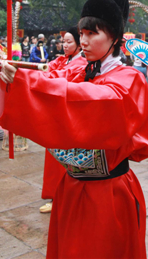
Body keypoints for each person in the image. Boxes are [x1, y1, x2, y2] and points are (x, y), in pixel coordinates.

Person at [0, 0, 148, 258]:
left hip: (108, 192)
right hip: (70, 186)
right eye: (82, 34)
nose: (84, 41)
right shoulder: (77, 69)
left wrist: (31, 83)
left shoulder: (129, 79)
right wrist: (15, 76)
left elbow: (100, 101)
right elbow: (50, 81)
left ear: (114, 37)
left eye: (93, 34)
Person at [39, 27, 87, 214]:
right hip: (56, 115)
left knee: (64, 159)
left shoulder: (80, 63)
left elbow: (56, 78)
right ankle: (54, 193)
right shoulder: (62, 60)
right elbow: (46, 70)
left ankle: (60, 195)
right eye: (64, 42)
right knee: (53, 157)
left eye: (69, 42)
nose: (65, 45)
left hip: (68, 117)